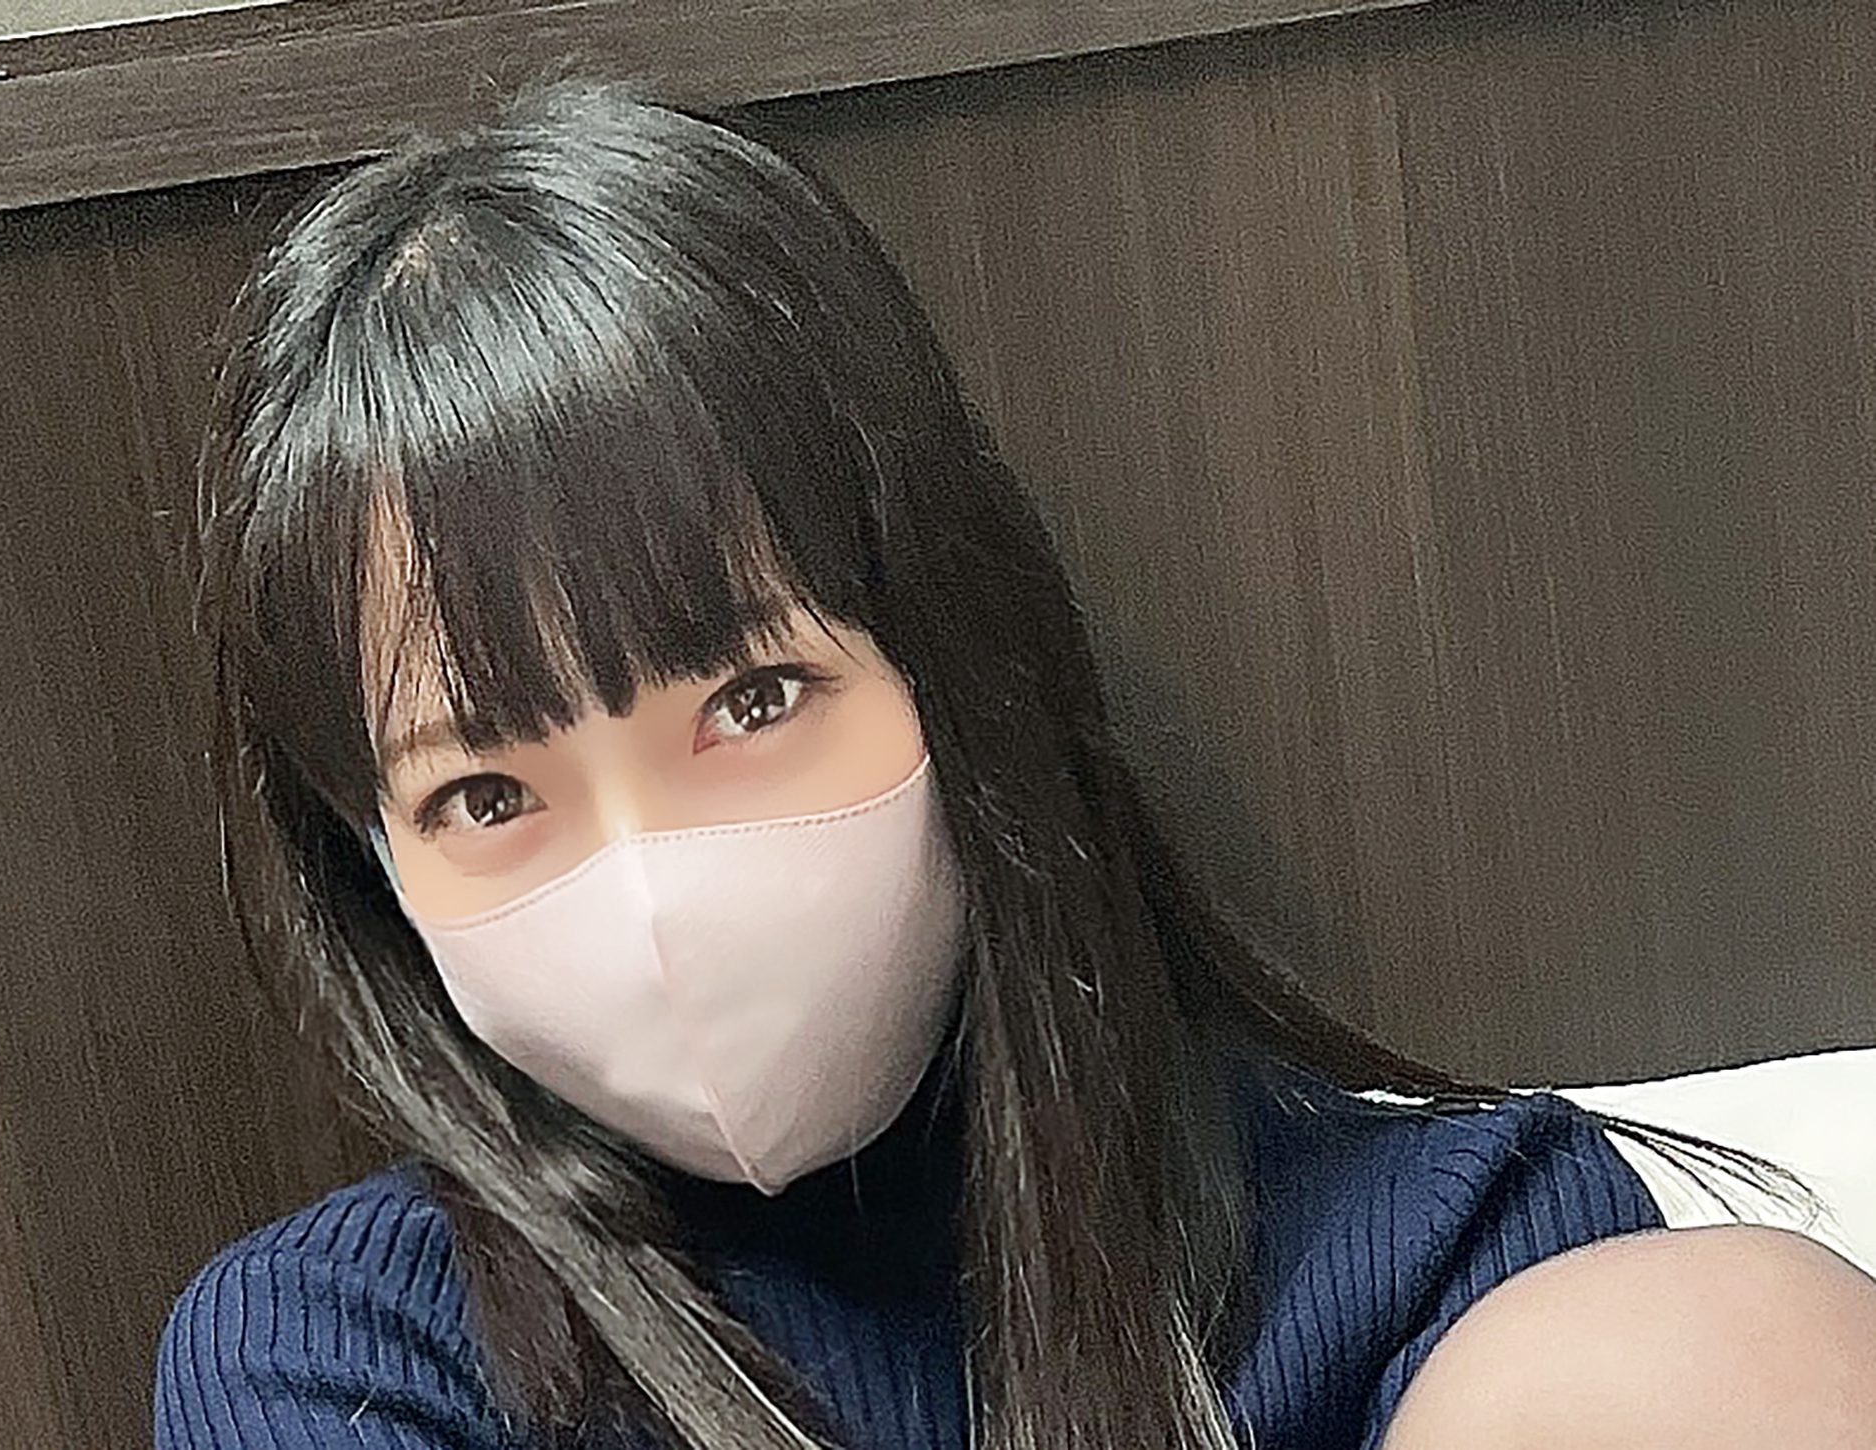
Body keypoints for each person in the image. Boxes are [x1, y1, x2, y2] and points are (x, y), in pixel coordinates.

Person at [158, 77, 1876, 1450]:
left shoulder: (1468, 1256)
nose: (650, 888)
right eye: (485, 795)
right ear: (374, 867)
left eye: (753, 698)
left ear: (953, 665)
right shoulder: (338, 1364)